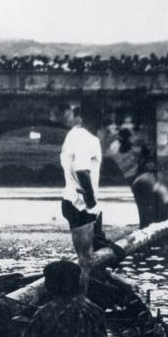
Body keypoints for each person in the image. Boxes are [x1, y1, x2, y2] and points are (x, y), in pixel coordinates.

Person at [59, 107, 104, 294]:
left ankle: (87, 295)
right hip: (82, 205)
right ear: (98, 118)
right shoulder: (89, 139)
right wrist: (92, 198)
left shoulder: (73, 134)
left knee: (86, 257)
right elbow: (81, 169)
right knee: (87, 260)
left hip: (71, 200)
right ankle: (83, 302)